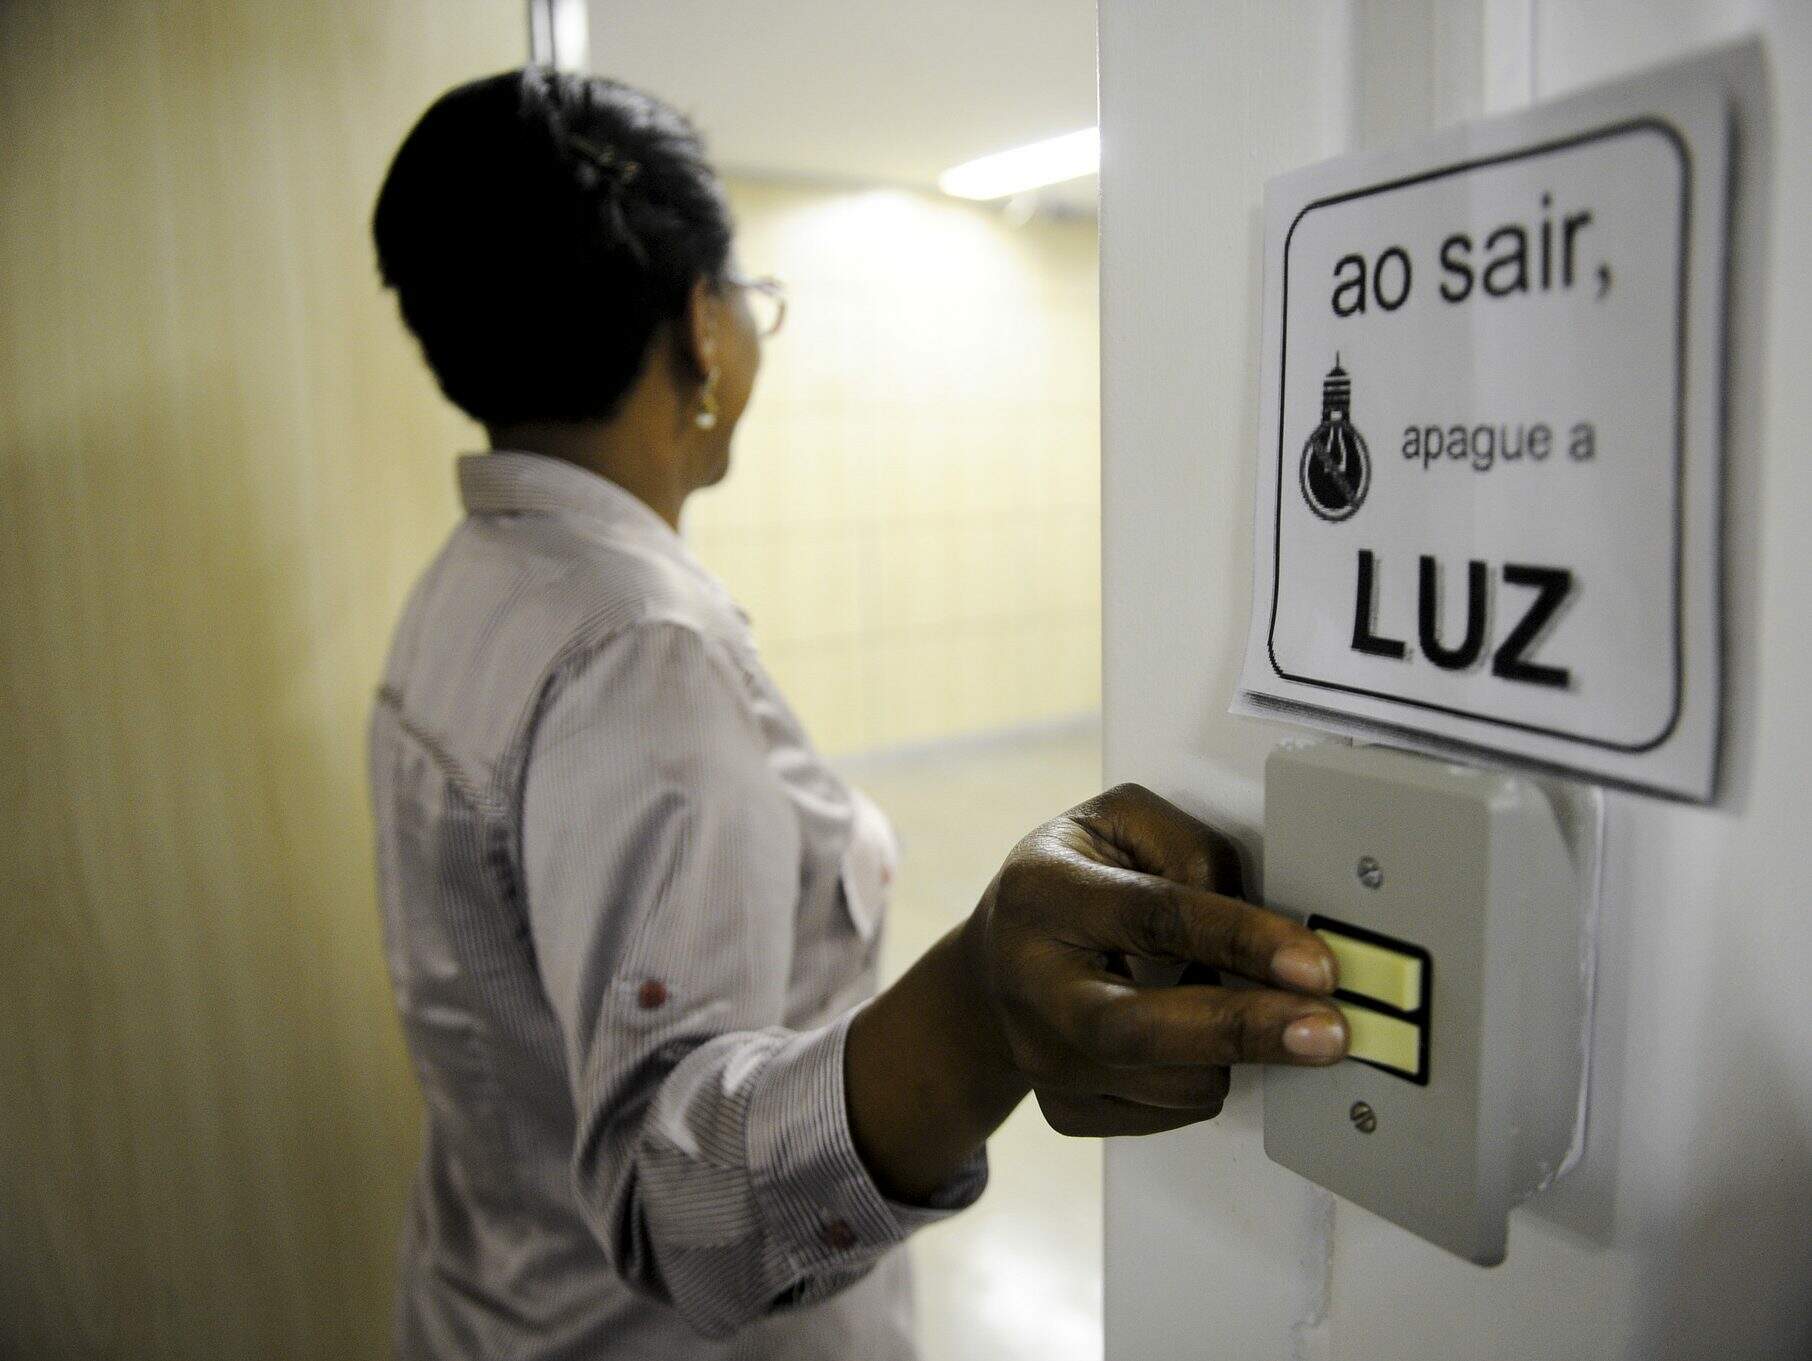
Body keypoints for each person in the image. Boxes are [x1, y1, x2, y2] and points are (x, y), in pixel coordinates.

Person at [366, 66, 1349, 1361]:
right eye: (748, 297)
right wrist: (980, 1007)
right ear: (703, 327)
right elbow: (684, 1207)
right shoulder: (637, 655)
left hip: (485, 1303)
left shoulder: (472, 586)